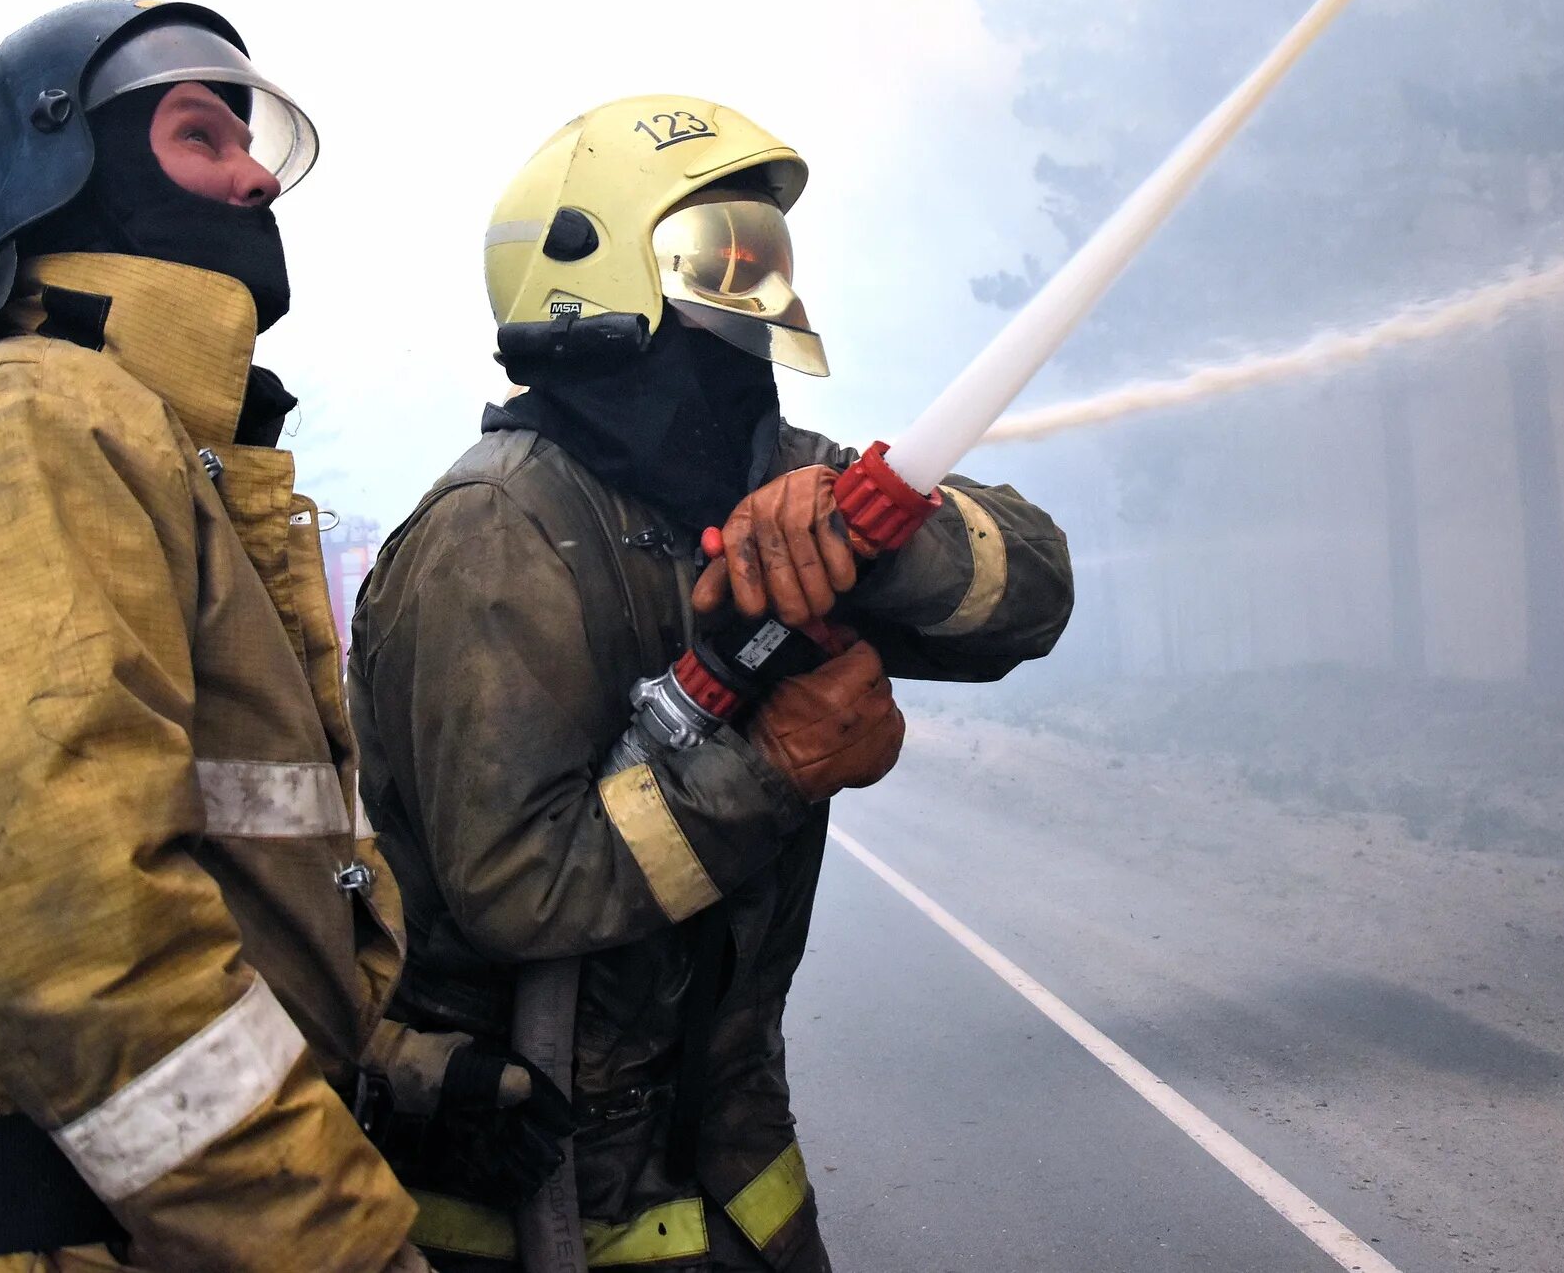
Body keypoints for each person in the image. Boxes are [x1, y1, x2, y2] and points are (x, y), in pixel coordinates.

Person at [0, 0, 428, 1270]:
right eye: (199, 135)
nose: (258, 172)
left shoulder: (154, 449)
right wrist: (336, 1244)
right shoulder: (16, 433)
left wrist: (391, 1060)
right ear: (62, 173)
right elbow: (71, 940)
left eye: (253, 140)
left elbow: (250, 879)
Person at [349, 96, 1074, 1270]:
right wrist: (778, 765)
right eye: (715, 254)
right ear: (596, 273)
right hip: (532, 1219)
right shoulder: (502, 534)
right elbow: (520, 889)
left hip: (741, 1195)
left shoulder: (769, 481)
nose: (750, 293)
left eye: (761, 258)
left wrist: (889, 534)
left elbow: (1034, 592)